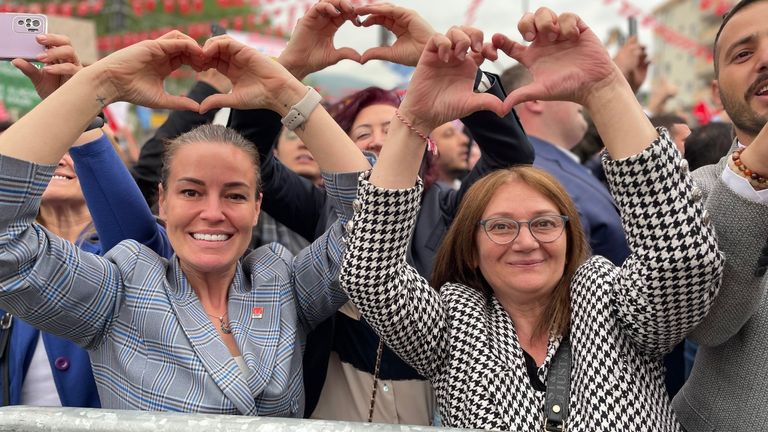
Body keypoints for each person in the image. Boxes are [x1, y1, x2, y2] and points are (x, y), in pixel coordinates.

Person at [339, 9, 723, 431]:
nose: (526, 242)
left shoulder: (615, 304)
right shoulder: (455, 324)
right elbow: (369, 274)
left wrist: (605, 88)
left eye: (544, 223)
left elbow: (683, 263)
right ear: (471, 245)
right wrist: (413, 120)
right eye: (501, 226)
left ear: (570, 235)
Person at [0, 30, 371, 415]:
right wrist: (97, 84)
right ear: (163, 200)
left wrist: (289, 95)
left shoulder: (283, 284)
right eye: (191, 192)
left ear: (258, 205)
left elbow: (374, 227)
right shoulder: (120, 290)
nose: (213, 212)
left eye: (234, 195)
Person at [225, 1, 534, 424]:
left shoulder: (452, 208)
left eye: (392, 129)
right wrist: (287, 70)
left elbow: (511, 155)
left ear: (427, 143)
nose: (375, 143)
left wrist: (452, 66)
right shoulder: (324, 208)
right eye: (362, 135)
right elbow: (246, 161)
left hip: (435, 397)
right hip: (336, 388)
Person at [0, 34, 170, 408]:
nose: (59, 159)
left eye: (69, 150)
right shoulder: (10, 252)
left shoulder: (132, 246)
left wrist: (82, 103)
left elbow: (138, 245)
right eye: (49, 150)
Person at [671, 0, 768, 429]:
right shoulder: (700, 191)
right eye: (744, 54)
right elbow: (707, 324)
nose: (766, 59)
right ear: (717, 93)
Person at [502, 64, 630, 265]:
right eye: (568, 87)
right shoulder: (534, 172)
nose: (578, 96)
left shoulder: (552, 164)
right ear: (535, 100)